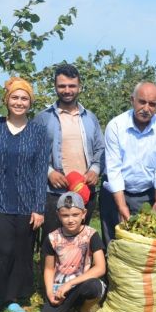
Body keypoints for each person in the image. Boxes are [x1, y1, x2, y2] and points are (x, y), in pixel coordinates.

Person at [0, 76, 48, 312]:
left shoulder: (39, 132)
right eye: (14, 97)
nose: (19, 102)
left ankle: (12, 298)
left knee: (20, 250)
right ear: (6, 100)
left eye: (24, 98)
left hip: (26, 202)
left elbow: (40, 171)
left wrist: (39, 207)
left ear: (30, 102)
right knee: (2, 249)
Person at [32, 63, 104, 241]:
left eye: (71, 86)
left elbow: (100, 149)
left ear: (79, 87)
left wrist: (95, 170)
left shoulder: (90, 118)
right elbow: (33, 152)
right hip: (54, 191)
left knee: (81, 242)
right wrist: (49, 173)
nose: (67, 90)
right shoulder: (43, 118)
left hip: (84, 189)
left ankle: (81, 270)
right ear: (55, 87)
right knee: (52, 243)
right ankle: (49, 270)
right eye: (62, 86)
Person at [100, 81, 156, 244]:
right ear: (132, 100)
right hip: (115, 192)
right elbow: (114, 170)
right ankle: (110, 269)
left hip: (145, 192)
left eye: (152, 104)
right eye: (142, 102)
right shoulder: (116, 126)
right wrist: (122, 206)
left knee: (144, 239)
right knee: (114, 240)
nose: (146, 109)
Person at [34, 192, 106, 312]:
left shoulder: (91, 235)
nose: (71, 220)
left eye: (75, 214)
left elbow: (100, 268)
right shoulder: (52, 238)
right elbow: (48, 269)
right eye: (65, 215)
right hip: (59, 290)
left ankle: (84, 311)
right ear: (58, 215)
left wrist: (71, 283)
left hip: (82, 285)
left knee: (93, 286)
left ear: (83, 213)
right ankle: (66, 311)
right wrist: (49, 292)